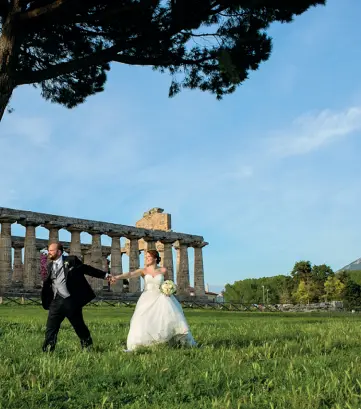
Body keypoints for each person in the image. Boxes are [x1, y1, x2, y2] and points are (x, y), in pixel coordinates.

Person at [111, 249, 196, 351]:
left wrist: (170, 289)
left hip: (162, 298)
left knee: (165, 319)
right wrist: (116, 277)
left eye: (148, 257)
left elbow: (169, 282)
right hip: (147, 298)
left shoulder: (163, 270)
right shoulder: (143, 270)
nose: (146, 259)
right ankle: (139, 344)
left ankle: (168, 341)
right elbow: (130, 274)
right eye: (146, 257)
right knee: (142, 319)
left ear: (155, 258)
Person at [41, 242, 112, 352]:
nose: (48, 252)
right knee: (51, 328)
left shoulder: (71, 260)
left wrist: (105, 275)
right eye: (48, 250)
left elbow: (86, 269)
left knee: (79, 325)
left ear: (59, 252)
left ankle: (88, 347)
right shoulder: (50, 265)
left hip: (70, 301)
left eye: (51, 250)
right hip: (55, 301)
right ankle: (48, 351)